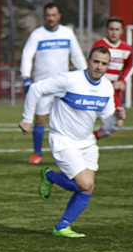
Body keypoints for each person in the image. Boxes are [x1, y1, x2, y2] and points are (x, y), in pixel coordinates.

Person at [19, 46, 126, 238]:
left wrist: (116, 117)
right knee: (84, 183)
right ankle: (50, 176)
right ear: (88, 60)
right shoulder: (69, 80)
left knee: (88, 187)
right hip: (63, 141)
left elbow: (107, 119)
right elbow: (36, 89)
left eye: (103, 63)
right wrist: (27, 118)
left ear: (108, 66)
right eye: (96, 61)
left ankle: (62, 226)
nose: (99, 66)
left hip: (87, 143)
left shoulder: (106, 87)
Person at [19, 3, 87, 164]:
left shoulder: (67, 33)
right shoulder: (37, 34)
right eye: (48, 15)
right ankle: (37, 154)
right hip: (43, 85)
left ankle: (71, 154)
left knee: (68, 119)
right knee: (41, 119)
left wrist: (85, 75)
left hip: (64, 85)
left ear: (59, 16)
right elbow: (27, 55)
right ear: (44, 16)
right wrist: (25, 77)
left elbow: (76, 55)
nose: (51, 18)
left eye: (53, 15)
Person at [89, 17, 133, 139]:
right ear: (106, 30)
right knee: (87, 118)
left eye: (117, 29)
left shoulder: (127, 49)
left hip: (113, 92)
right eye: (111, 29)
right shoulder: (99, 46)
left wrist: (122, 80)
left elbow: (130, 64)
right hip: (97, 90)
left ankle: (92, 138)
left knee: (118, 122)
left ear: (122, 31)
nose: (114, 32)